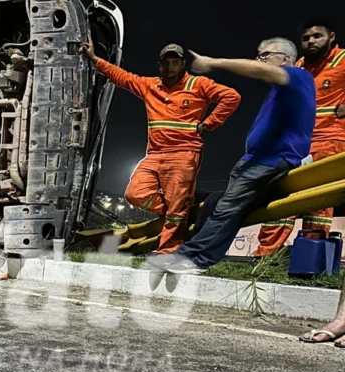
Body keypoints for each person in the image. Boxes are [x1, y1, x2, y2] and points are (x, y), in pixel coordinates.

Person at [148, 38, 317, 275]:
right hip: (255, 161)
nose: (259, 60)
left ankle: (188, 258)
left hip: (269, 162)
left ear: (286, 58)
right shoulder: (281, 91)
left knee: (227, 206)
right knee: (216, 202)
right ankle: (199, 261)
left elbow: (261, 70)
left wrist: (212, 63)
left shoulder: (298, 77)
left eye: (265, 55)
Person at [82, 41, 241, 253]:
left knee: (177, 206)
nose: (170, 67)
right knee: (135, 194)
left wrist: (210, 123)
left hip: (184, 154)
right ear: (159, 65)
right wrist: (94, 60)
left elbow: (231, 97)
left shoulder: (198, 84)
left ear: (183, 64)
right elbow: (123, 77)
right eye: (166, 63)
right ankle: (178, 211)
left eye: (175, 62)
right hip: (155, 154)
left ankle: (167, 252)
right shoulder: (150, 86)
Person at [256, 20, 345, 257]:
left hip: (330, 139)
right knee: (280, 192)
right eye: (306, 38)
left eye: (317, 36)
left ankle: (310, 257)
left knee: (317, 200)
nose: (311, 41)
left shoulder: (343, 60)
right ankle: (265, 255)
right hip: (296, 140)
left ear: (332, 36)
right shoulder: (301, 66)